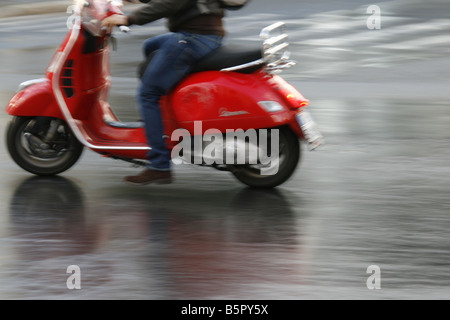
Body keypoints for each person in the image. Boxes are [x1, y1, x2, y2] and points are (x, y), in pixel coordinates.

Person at [101, 0, 225, 185]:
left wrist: (128, 19)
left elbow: (169, 3)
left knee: (147, 94)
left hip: (194, 38)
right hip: (202, 34)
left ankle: (159, 165)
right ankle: (156, 122)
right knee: (151, 46)